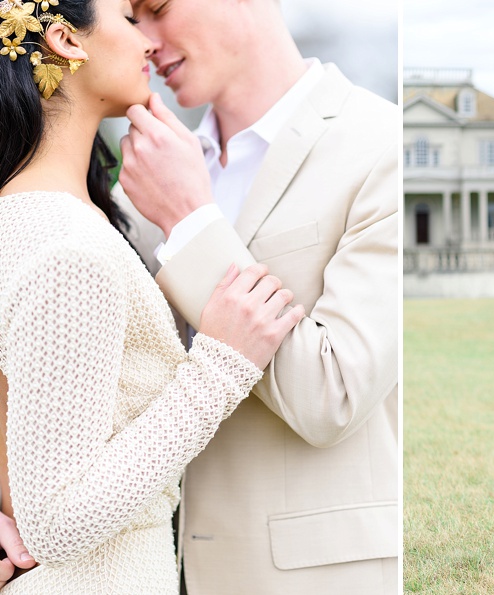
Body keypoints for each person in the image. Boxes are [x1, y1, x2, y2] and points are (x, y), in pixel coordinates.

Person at [0, 0, 304, 592]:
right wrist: (220, 365)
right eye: (129, 18)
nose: (148, 44)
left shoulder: (23, 221)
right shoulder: (71, 251)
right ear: (66, 40)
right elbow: (56, 521)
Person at [94, 1, 397, 593]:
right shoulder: (141, 181)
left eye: (155, 8)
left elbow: (333, 395)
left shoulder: (383, 145)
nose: (145, 41)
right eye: (131, 22)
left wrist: (190, 222)